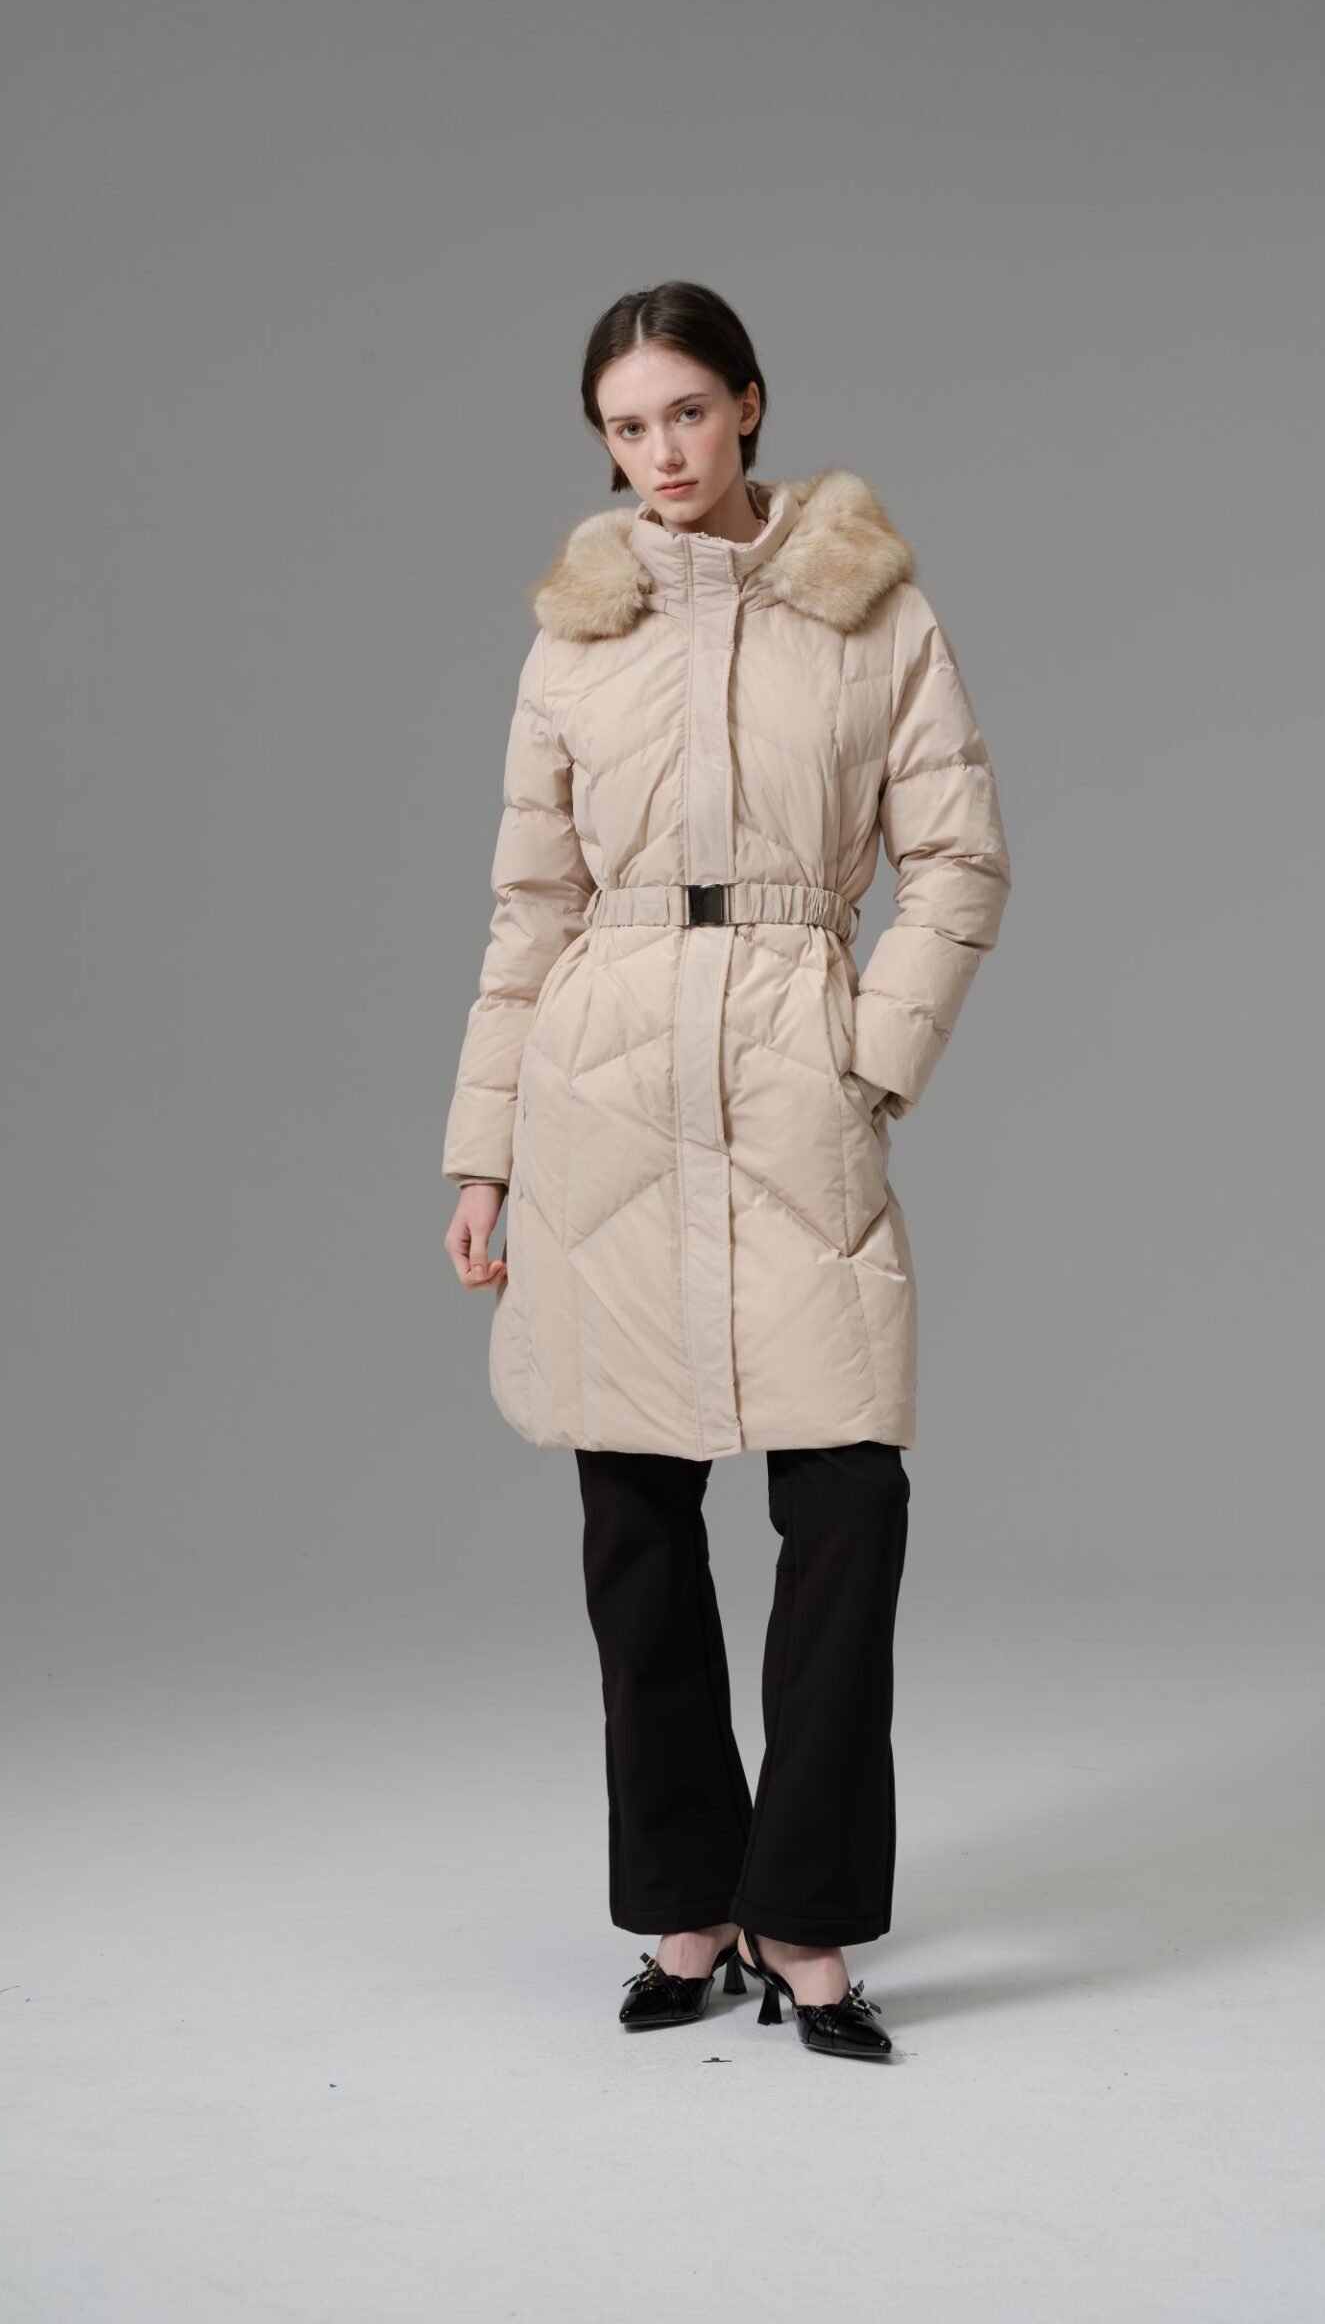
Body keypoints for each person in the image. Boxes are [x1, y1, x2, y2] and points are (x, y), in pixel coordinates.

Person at [440, 280, 1011, 2061]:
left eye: (686, 411)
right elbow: (528, 909)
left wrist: (871, 1056)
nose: (660, 452)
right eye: (627, 427)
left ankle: (808, 1918)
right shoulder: (575, 639)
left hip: (788, 1070)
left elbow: (959, 860)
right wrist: (482, 1155)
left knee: (848, 1509)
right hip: (600, 1089)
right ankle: (690, 1908)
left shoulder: (870, 608)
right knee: (635, 1524)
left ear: (750, 404)